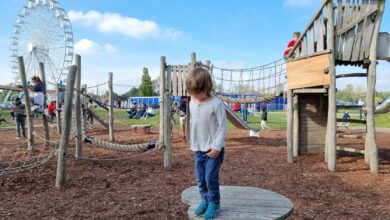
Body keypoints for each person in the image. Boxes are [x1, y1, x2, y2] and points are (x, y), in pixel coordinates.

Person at [186, 67, 227, 219]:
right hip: (198, 148)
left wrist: (217, 146)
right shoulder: (192, 101)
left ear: (207, 87)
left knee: (210, 178)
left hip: (213, 150)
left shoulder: (217, 104)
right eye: (192, 92)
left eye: (197, 92)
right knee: (200, 178)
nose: (195, 95)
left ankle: (215, 203)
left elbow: (222, 127)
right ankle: (205, 200)